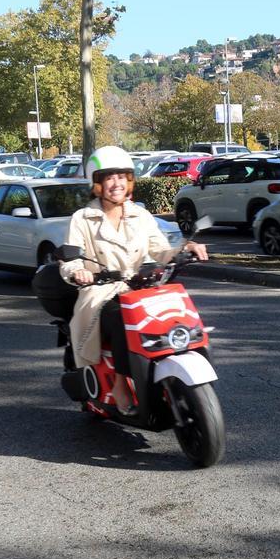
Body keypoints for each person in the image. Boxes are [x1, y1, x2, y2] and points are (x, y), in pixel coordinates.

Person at [58, 147, 208, 415]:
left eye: (121, 176)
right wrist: (78, 271)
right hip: (101, 292)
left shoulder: (140, 215)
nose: (116, 183)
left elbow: (160, 249)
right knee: (120, 317)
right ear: (97, 183)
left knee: (171, 315)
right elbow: (70, 259)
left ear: (129, 181)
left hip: (140, 288)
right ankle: (120, 383)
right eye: (108, 177)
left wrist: (185, 249)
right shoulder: (83, 218)